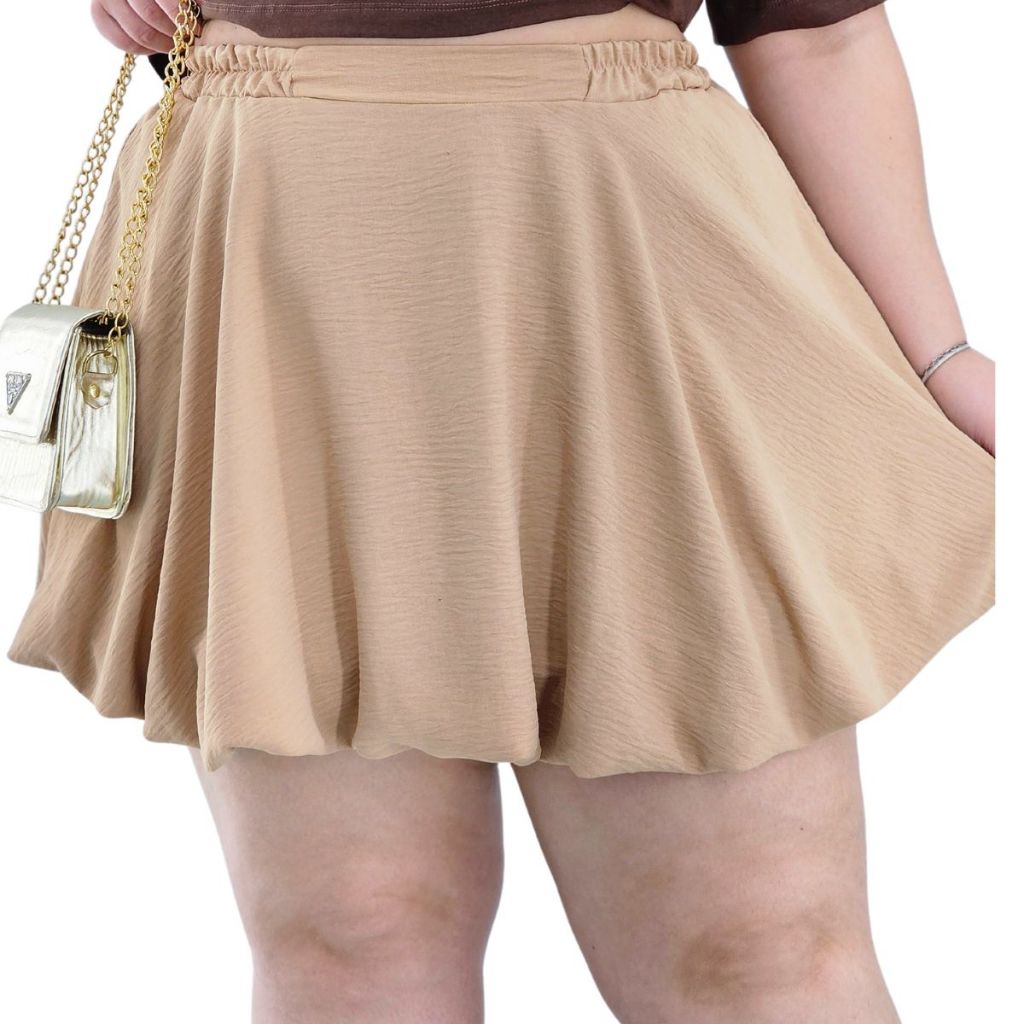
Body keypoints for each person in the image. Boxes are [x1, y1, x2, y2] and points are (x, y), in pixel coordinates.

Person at [7, 1, 995, 1021]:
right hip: (273, 234)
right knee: (352, 936)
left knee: (755, 949)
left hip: (620, 252)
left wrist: (940, 354)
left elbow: (817, 32)